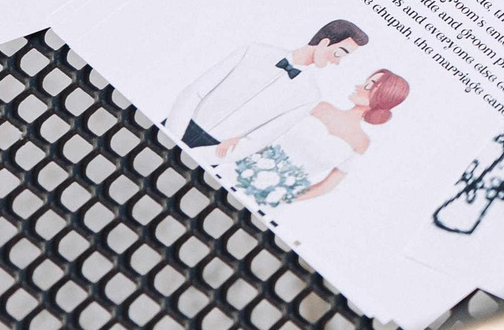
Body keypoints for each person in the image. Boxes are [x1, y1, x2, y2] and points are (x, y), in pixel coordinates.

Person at [164, 20, 371, 151]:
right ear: (325, 43)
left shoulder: (310, 95)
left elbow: (260, 139)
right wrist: (172, 133)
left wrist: (204, 158)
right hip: (174, 126)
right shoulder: (254, 51)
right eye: (339, 53)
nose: (337, 62)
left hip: (215, 151)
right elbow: (195, 90)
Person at [222, 71, 410, 209]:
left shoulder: (361, 142)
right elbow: (271, 126)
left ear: (382, 96)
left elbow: (328, 185)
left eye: (369, 85)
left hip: (266, 200)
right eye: (365, 81)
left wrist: (283, 197)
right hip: (236, 168)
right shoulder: (322, 107)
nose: (358, 86)